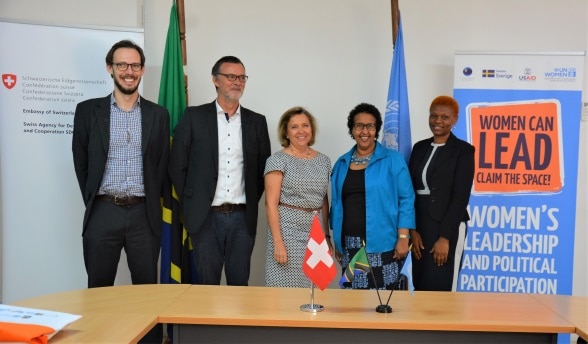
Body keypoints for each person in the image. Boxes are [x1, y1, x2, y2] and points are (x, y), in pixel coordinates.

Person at [72, 39, 170, 289]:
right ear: (110, 68)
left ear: (143, 70)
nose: (129, 72)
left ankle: (150, 332)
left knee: (146, 292)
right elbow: (81, 162)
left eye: (135, 65)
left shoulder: (158, 114)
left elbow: (160, 164)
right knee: (99, 290)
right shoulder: (87, 111)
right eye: (122, 65)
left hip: (144, 215)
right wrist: (96, 202)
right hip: (103, 211)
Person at [169, 56, 271, 286]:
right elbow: (177, 166)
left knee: (239, 285)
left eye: (242, 77)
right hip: (205, 218)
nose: (237, 82)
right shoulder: (193, 117)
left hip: (242, 219)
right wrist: (192, 203)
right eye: (231, 77)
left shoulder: (257, 123)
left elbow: (261, 173)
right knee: (206, 286)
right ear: (215, 80)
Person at [330, 103, 415, 290]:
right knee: (353, 304)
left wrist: (403, 236)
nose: (364, 131)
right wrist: (336, 240)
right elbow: (336, 203)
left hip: (384, 244)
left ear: (376, 129)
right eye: (359, 125)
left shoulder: (393, 160)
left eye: (370, 126)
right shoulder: (342, 162)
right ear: (352, 129)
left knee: (384, 303)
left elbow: (406, 199)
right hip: (350, 244)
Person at [408, 95, 475, 291]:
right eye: (434, 116)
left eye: (445, 117)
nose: (438, 121)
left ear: (455, 119)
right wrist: (412, 230)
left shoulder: (463, 151)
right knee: (421, 284)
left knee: (442, 285)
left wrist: (445, 238)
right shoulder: (419, 147)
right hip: (420, 228)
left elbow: (460, 197)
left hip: (447, 227)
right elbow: (409, 191)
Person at [264, 107, 332, 287]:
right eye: (294, 127)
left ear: (312, 129)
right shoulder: (277, 160)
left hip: (316, 233)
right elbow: (270, 204)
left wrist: (326, 236)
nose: (301, 131)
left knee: (313, 288)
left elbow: (323, 200)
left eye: (305, 125)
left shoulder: (324, 160)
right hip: (287, 232)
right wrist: (278, 242)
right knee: (287, 289)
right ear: (286, 132)